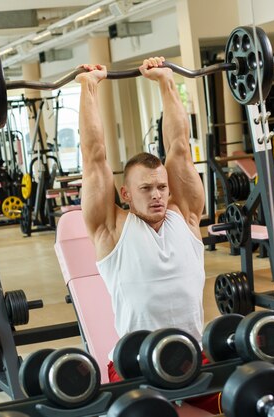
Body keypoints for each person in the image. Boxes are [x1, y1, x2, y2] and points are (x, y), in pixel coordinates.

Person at [75, 57, 219, 413]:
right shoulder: (112, 228)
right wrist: (89, 88)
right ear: (125, 194)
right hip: (133, 363)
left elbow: (180, 147)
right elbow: (94, 157)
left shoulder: (185, 216)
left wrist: (166, 82)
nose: (157, 194)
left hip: (191, 356)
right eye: (146, 188)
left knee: (243, 400)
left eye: (161, 187)